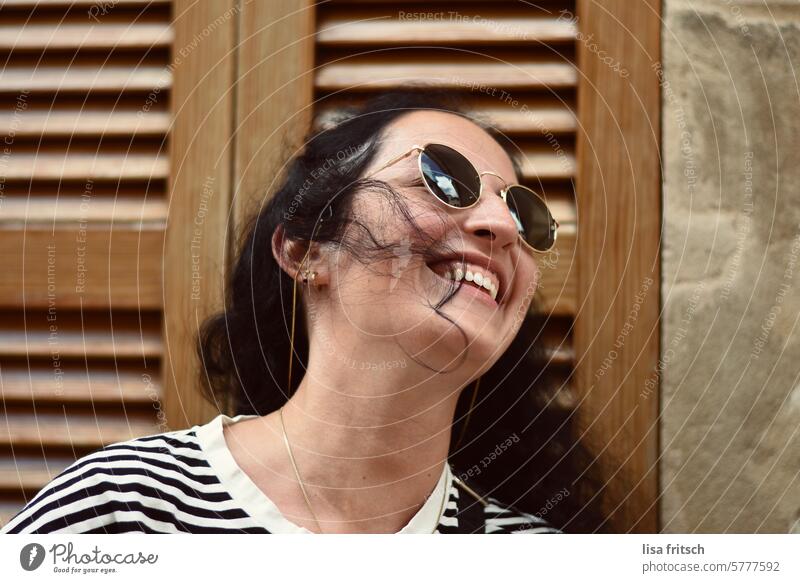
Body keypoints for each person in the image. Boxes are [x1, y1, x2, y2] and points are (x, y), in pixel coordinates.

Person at [2, 90, 602, 534]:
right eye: (443, 179)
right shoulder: (125, 506)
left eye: (524, 215)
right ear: (306, 249)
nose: (500, 225)